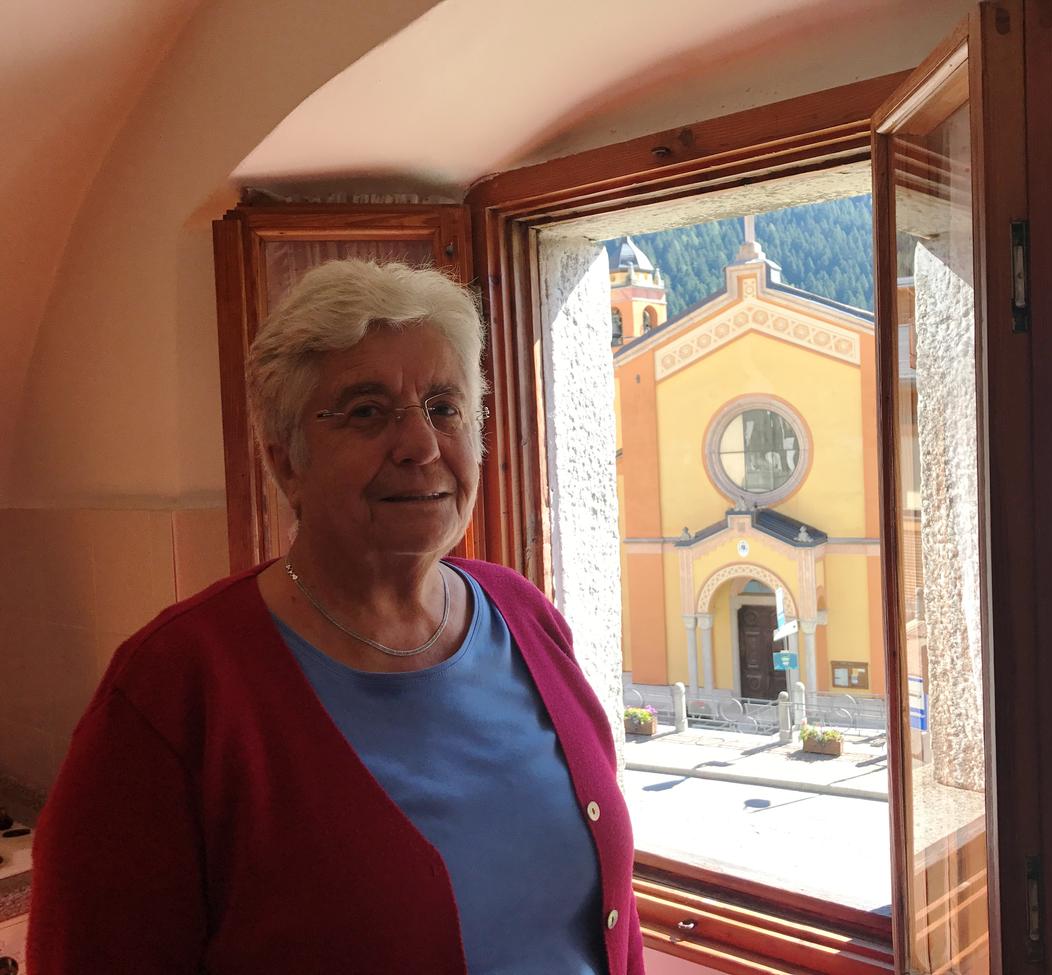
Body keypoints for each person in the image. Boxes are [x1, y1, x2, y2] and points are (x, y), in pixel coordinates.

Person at [27, 260, 643, 974]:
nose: (421, 445)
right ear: (286, 461)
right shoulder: (173, 690)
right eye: (367, 411)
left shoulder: (524, 614)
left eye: (444, 407)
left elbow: (609, 923)